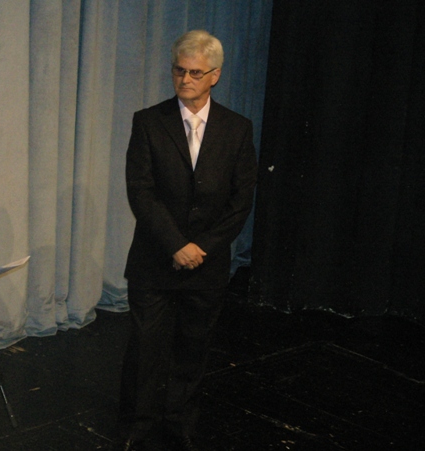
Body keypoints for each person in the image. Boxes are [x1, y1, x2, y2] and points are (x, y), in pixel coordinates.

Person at [119, 30, 257, 451]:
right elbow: (140, 191)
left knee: (193, 349)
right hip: (155, 259)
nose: (185, 79)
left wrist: (204, 248)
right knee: (145, 350)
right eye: (179, 70)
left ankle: (180, 425)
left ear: (215, 75)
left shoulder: (237, 128)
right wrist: (176, 244)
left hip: (207, 264)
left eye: (196, 72)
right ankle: (139, 427)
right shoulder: (148, 121)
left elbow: (240, 201)